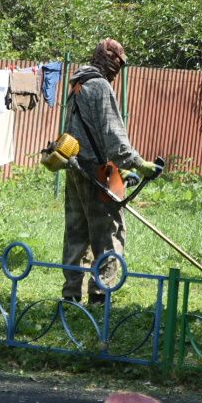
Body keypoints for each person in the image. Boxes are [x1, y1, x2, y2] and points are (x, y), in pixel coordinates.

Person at [61, 38, 158, 304]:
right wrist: (138, 163)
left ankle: (70, 293)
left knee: (76, 231)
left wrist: (122, 171)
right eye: (118, 63)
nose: (118, 70)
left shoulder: (78, 85)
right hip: (100, 172)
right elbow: (113, 134)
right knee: (109, 232)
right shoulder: (100, 86)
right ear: (109, 61)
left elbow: (85, 132)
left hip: (74, 166)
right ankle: (100, 293)